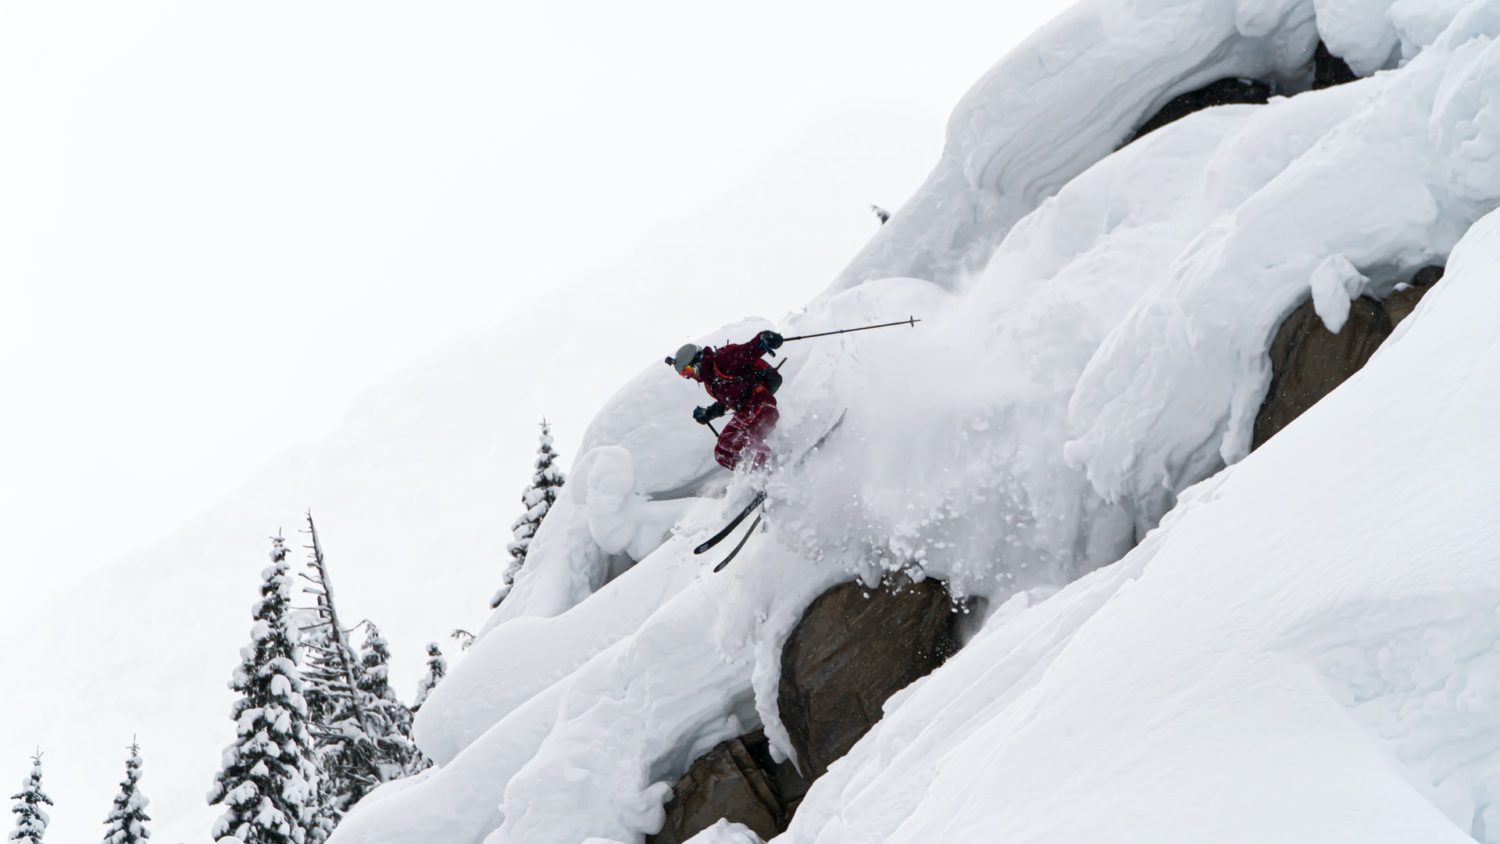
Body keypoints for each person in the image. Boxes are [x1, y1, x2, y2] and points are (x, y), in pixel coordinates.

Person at [667, 330, 784, 470]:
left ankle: (774, 464)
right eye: (684, 375)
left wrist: (763, 338)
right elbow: (726, 402)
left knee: (728, 439)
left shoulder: (723, 359)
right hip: (751, 416)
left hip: (760, 405)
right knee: (722, 454)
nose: (690, 376)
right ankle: (758, 475)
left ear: (696, 361)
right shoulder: (711, 384)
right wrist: (708, 413)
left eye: (688, 371)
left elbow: (747, 351)